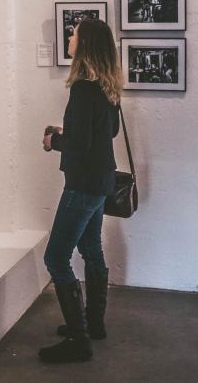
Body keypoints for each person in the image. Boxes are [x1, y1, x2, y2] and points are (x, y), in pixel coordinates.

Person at [39, 19, 123, 364]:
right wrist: (69, 130)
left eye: (73, 35)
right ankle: (94, 323)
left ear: (84, 44)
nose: (69, 38)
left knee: (55, 257)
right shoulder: (107, 86)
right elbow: (108, 132)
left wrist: (53, 140)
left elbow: (80, 143)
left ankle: (78, 339)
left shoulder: (83, 89)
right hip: (102, 179)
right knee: (90, 248)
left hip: (83, 184)